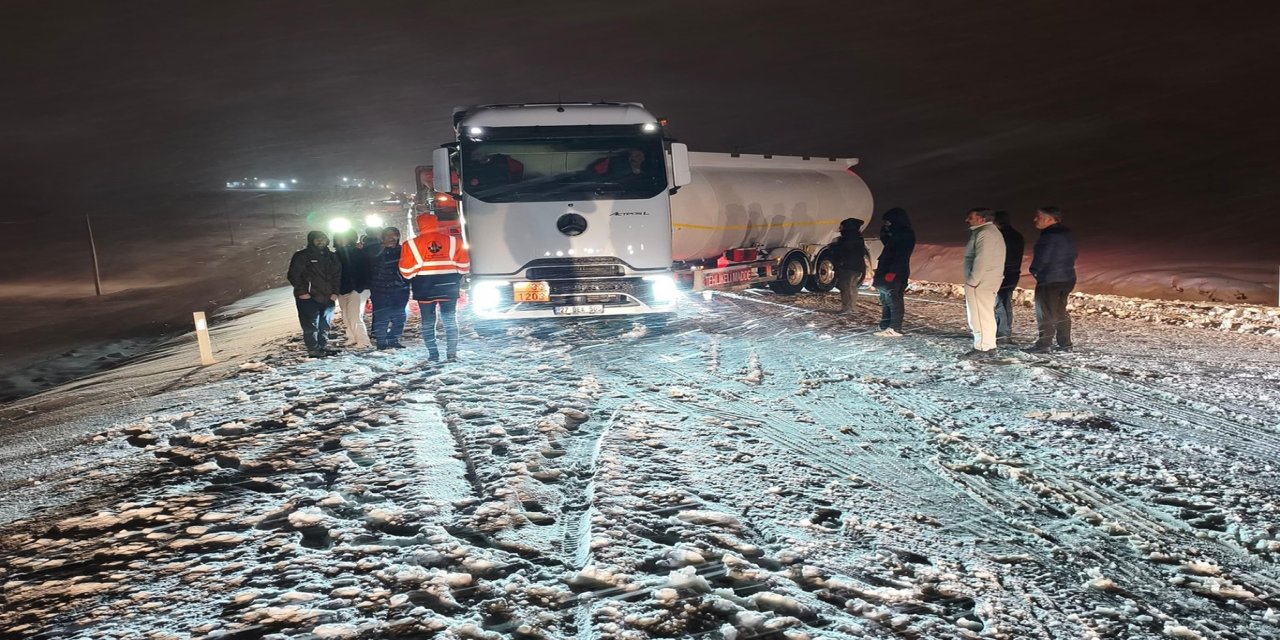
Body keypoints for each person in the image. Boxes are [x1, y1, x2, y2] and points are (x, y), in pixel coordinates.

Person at [400, 214, 471, 362]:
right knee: (450, 320)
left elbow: (406, 273)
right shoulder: (453, 241)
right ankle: (451, 354)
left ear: (418, 225)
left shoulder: (410, 245)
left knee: (428, 322)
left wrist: (420, 267)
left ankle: (433, 355)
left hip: (424, 289)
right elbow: (464, 267)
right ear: (436, 223)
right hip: (448, 288)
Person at [1026, 206, 1078, 353]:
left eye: (1039, 217)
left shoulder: (1049, 235)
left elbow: (1043, 257)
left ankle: (1044, 344)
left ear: (1050, 219)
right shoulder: (1067, 233)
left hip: (1050, 278)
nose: (1035, 219)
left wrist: (1035, 271)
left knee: (1045, 311)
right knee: (1060, 310)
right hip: (1067, 277)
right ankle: (1065, 343)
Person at [286, 230, 342, 357]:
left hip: (328, 297)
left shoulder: (332, 257)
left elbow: (337, 276)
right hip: (308, 297)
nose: (320, 241)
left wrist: (335, 292)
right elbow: (294, 275)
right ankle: (313, 349)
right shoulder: (302, 256)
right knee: (310, 325)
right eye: (317, 239)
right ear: (311, 241)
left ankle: (322, 346)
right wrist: (302, 292)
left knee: (325, 324)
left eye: (323, 238)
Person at [961, 208, 1006, 359]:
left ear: (982, 219)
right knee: (985, 313)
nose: (967, 220)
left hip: (981, 281)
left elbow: (982, 259)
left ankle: (982, 348)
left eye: (970, 217)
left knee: (978, 315)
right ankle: (988, 345)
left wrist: (973, 280)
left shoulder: (985, 233)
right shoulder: (989, 232)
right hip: (986, 279)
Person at [872, 207, 915, 336]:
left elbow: (901, 255)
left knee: (893, 300)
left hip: (895, 272)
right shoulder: (896, 233)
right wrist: (885, 232)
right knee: (885, 300)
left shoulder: (906, 234)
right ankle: (885, 325)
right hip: (887, 270)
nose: (886, 224)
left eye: (888, 222)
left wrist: (893, 272)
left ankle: (895, 327)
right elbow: (888, 245)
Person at [369, 227, 410, 350]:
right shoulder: (375, 251)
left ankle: (394, 339)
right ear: (382, 237)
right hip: (379, 290)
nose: (391, 238)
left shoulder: (403, 250)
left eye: (394, 235)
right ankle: (381, 342)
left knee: (399, 317)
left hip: (400, 290)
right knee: (381, 317)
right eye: (388, 235)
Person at [333, 231, 373, 350]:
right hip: (342, 288)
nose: (342, 240)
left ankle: (364, 341)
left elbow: (366, 269)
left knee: (355, 316)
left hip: (357, 289)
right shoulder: (336, 254)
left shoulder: (360, 253)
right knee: (346, 315)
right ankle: (352, 337)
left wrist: (360, 286)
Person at [993, 210, 1025, 343]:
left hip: (1002, 274)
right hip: (1013, 273)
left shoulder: (999, 236)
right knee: (1005, 302)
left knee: (1000, 303)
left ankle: (1002, 334)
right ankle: (1005, 333)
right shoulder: (1017, 235)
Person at [831, 217, 870, 314]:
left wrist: (834, 246)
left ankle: (847, 308)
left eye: (842, 226)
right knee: (852, 287)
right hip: (857, 267)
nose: (840, 228)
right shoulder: (858, 237)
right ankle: (852, 307)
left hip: (847, 267)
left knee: (846, 287)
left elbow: (844, 251)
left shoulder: (847, 238)